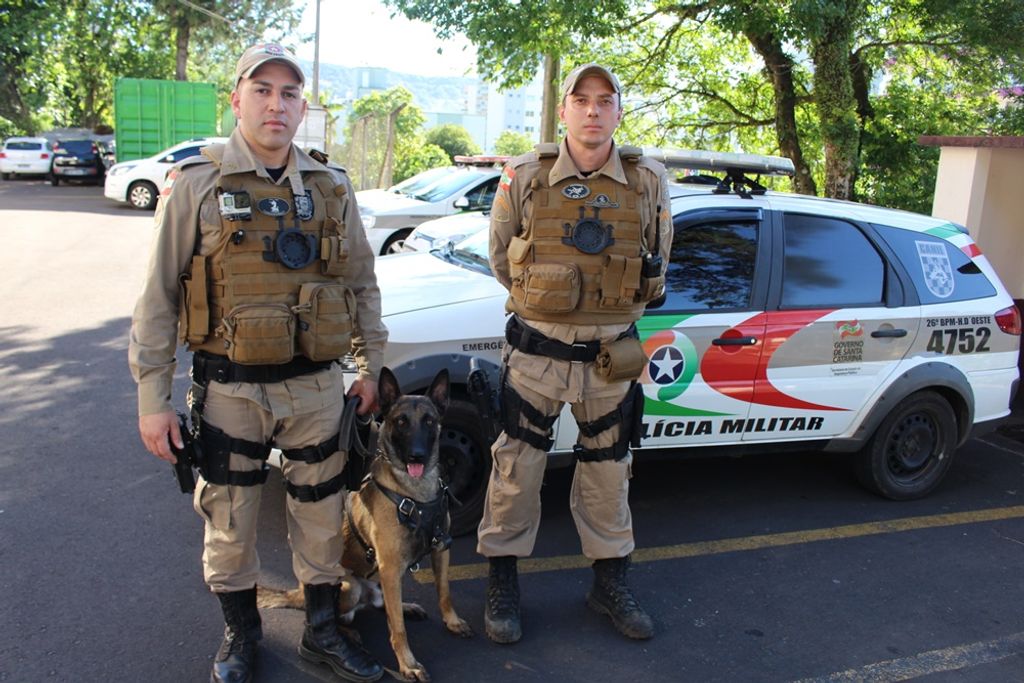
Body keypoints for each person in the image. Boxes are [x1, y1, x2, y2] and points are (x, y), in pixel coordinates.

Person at [129, 43, 387, 683]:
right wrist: (151, 400)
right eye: (263, 90)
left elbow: (361, 284)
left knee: (323, 516)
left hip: (316, 391)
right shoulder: (198, 184)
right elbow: (159, 298)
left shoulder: (331, 186)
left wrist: (369, 365)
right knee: (231, 518)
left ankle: (322, 634)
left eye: (290, 93)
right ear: (236, 98)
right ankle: (241, 636)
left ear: (303, 108)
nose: (277, 104)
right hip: (230, 391)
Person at [478, 63, 671, 644]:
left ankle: (609, 581)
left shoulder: (648, 180)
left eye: (604, 100)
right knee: (516, 470)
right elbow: (498, 257)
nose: (592, 110)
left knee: (610, 474)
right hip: (537, 357)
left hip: (612, 360)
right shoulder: (525, 175)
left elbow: (658, 265)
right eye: (580, 100)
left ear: (617, 111)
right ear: (562, 110)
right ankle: (502, 581)